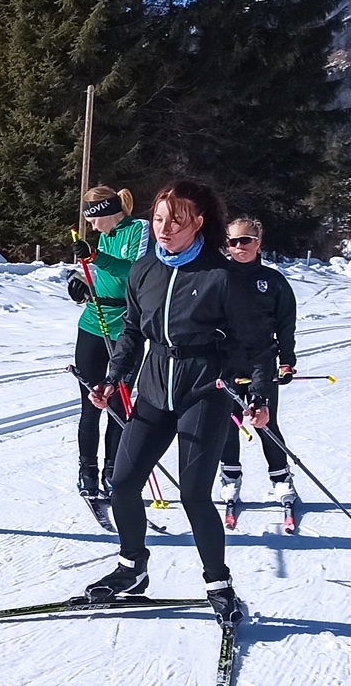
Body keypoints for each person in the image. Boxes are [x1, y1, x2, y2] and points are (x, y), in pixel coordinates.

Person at [84, 180, 275, 627]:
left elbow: (258, 346)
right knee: (123, 483)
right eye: (159, 219)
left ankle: (218, 583)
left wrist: (259, 395)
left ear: (199, 223)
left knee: (193, 494)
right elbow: (132, 331)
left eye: (177, 220)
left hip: (204, 391)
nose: (165, 228)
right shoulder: (144, 270)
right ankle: (133, 566)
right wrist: (113, 377)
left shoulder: (222, 276)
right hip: (154, 387)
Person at [67, 187, 148, 514]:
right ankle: (87, 471)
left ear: (109, 211)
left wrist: (97, 257)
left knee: (118, 403)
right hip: (93, 323)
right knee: (91, 403)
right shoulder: (104, 236)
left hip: (126, 328)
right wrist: (80, 282)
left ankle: (114, 470)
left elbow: (134, 272)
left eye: (95, 220)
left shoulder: (138, 229)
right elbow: (103, 278)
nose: (94, 228)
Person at [214, 214, 299, 515]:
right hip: (227, 360)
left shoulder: (274, 281)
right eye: (233, 242)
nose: (239, 247)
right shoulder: (219, 275)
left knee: (264, 419)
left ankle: (281, 478)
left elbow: (286, 324)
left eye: (245, 241)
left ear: (258, 243)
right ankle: (230, 476)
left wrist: (287, 361)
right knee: (228, 422)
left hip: (262, 358)